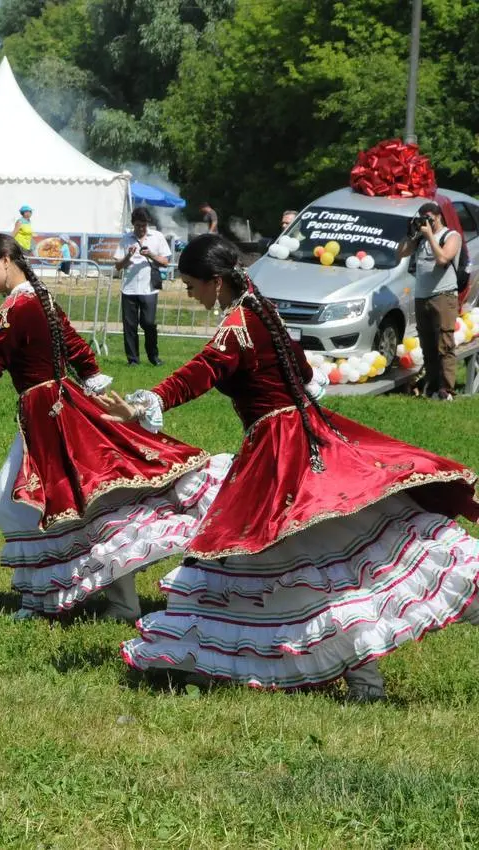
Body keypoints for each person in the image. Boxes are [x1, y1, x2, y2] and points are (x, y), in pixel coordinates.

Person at [102, 234, 479, 701]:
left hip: (280, 452)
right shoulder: (262, 308)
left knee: (288, 556)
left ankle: (209, 656)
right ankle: (238, 662)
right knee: (339, 551)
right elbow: (300, 370)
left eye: (192, 285)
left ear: (216, 281)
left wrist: (146, 402)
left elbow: (200, 372)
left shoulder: (237, 326)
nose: (189, 293)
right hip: (308, 435)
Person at [0, 234, 229, 622]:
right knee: (83, 504)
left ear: (6, 260)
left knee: (20, 505)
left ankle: (43, 599)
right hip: (59, 406)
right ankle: (83, 599)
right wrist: (95, 391)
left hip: (48, 414)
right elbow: (76, 347)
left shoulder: (18, 306)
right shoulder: (40, 299)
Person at [397, 201, 462, 401]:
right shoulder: (420, 239)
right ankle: (432, 386)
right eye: (423, 219)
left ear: (439, 216)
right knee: (428, 346)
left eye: (430, 219)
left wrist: (430, 236)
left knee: (444, 344)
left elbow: (442, 259)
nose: (427, 223)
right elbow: (400, 253)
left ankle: (446, 390)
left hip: (443, 295)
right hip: (422, 297)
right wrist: (411, 233)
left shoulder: (451, 236)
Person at [114, 207, 170, 366]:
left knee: (149, 323)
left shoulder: (157, 237)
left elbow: (165, 262)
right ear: (133, 224)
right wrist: (128, 255)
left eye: (144, 225)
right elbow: (118, 266)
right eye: (138, 225)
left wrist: (150, 254)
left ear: (148, 224)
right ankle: (133, 360)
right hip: (129, 288)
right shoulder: (126, 239)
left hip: (149, 289)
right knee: (129, 326)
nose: (141, 229)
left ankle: (154, 356)